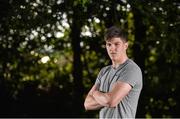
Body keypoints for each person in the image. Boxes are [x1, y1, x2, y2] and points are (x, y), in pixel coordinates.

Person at [84, 26, 143, 118]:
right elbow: (87, 104)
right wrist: (106, 98)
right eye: (109, 44)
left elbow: (111, 101)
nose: (112, 48)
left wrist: (95, 93)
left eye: (117, 44)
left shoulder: (131, 69)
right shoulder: (104, 71)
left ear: (125, 46)